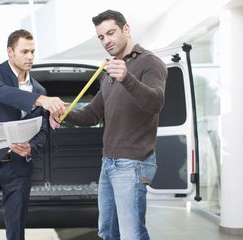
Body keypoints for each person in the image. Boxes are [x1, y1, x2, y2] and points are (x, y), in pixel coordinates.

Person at [50, 10, 168, 240]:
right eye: (101, 37)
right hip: (109, 162)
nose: (106, 41)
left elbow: (155, 102)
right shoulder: (110, 72)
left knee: (131, 234)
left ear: (126, 29)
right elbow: (92, 114)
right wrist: (65, 113)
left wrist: (127, 79)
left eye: (110, 33)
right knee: (107, 231)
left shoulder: (150, 63)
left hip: (132, 163)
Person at [0, 29, 66, 240]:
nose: (30, 57)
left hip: (18, 169)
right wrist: (40, 101)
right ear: (10, 52)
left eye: (32, 51)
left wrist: (32, 147)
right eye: (24, 52)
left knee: (16, 232)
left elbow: (43, 131)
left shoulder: (39, 89)